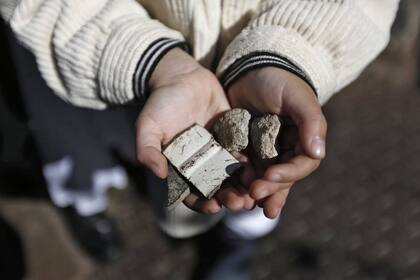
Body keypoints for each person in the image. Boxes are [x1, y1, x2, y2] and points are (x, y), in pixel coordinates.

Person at [0, 0, 400, 278]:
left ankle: (233, 247)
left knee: (253, 184)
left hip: (255, 65)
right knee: (80, 156)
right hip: (85, 57)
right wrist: (143, 57)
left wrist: (287, 54)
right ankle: (87, 207)